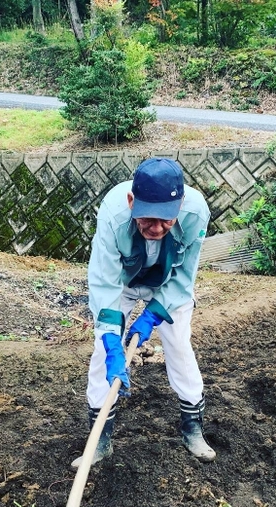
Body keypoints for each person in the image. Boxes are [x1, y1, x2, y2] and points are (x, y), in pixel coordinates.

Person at [71, 157, 216, 468]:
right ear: (131, 201)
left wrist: (153, 314)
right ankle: (100, 440)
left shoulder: (195, 212)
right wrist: (112, 341)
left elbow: (184, 275)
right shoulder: (113, 212)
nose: (156, 228)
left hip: (168, 281)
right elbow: (104, 280)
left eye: (166, 220)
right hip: (122, 283)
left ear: (178, 209)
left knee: (177, 343)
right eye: (147, 218)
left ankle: (193, 427)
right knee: (102, 352)